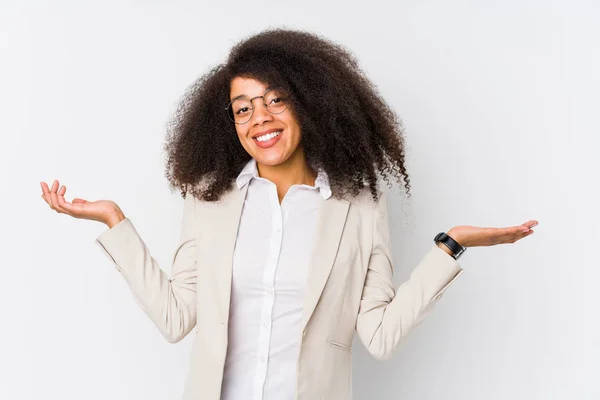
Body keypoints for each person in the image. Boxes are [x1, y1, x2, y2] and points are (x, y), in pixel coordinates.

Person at [39, 29, 537, 400]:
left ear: (310, 105)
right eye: (243, 108)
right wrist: (114, 222)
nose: (260, 119)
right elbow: (176, 317)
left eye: (276, 100)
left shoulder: (356, 207)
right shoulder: (209, 200)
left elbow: (380, 335)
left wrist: (451, 246)